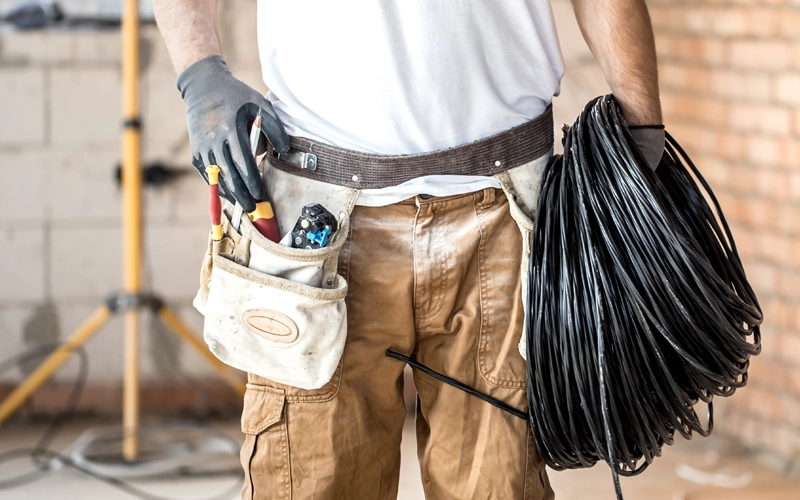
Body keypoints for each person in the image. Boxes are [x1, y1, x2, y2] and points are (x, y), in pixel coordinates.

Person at [153, 1, 664, 498]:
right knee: (309, 478)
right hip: (321, 224)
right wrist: (200, 75)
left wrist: (642, 129)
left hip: (506, 214)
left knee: (501, 482)